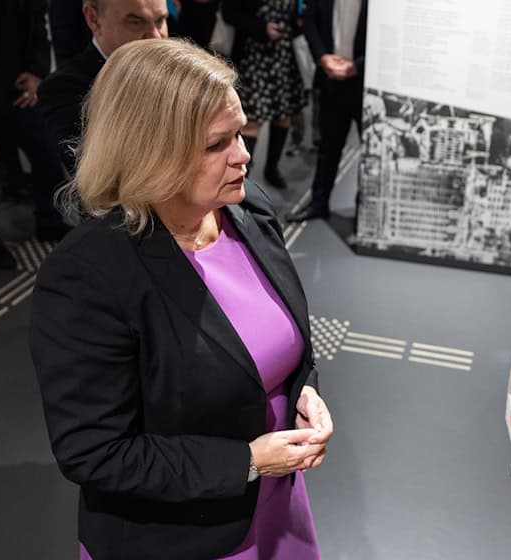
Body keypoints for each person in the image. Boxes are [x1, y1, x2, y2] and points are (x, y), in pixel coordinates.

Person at [30, 39, 331, 559]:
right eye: (217, 144)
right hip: (179, 535)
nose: (243, 155)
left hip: (276, 503)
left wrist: (306, 392)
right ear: (151, 151)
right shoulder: (89, 276)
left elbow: (285, 343)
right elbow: (95, 452)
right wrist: (247, 462)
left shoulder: (247, 209)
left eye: (239, 132)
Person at [0, 0, 70, 269]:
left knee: (48, 156)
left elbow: (38, 23)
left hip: (12, 84)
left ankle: (49, 222)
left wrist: (38, 74)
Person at [40, 0, 169, 175]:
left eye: (160, 20)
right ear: (93, 19)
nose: (155, 36)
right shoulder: (62, 89)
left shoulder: (179, 67)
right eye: (136, 22)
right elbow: (98, 177)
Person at [286, 0, 367, 222]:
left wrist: (357, 66)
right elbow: (310, 22)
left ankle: (365, 211)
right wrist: (322, 57)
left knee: (371, 151)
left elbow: (386, 36)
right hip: (331, 79)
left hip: (366, 85)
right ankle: (318, 205)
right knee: (328, 148)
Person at [221, 0, 306, 190]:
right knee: (252, 122)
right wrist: (261, 28)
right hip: (255, 57)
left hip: (284, 58)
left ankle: (272, 168)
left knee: (283, 117)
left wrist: (297, 24)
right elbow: (230, 13)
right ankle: (243, 176)